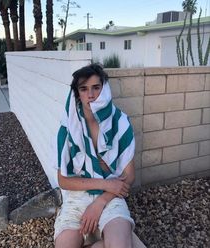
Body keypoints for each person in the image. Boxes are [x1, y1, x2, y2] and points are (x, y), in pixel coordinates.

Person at [54, 63, 136, 248]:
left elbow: (129, 175)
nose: (90, 95)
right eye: (84, 89)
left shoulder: (120, 123)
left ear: (104, 88)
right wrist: (105, 183)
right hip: (77, 197)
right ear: (77, 93)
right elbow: (63, 180)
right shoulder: (67, 129)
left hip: (110, 196)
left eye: (96, 88)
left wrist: (100, 201)